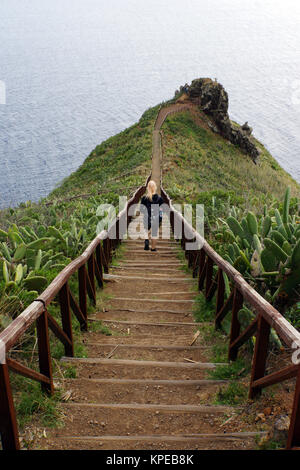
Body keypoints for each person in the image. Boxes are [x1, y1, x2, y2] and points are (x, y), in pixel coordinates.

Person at [140, 180, 163, 251]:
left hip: (147, 216)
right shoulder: (159, 198)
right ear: (155, 187)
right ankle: (153, 248)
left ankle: (146, 240)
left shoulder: (144, 198)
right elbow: (161, 210)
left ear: (147, 188)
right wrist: (160, 218)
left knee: (145, 230)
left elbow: (141, 209)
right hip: (155, 217)